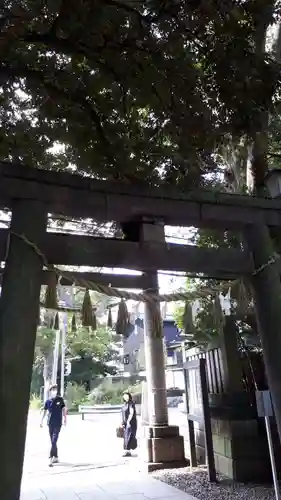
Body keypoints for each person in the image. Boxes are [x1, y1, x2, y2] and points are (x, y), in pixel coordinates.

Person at [40, 384, 67, 467]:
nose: (54, 391)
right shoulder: (48, 401)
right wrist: (41, 421)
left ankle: (50, 458)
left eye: (55, 389)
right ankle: (56, 457)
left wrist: (65, 419)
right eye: (52, 390)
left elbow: (64, 409)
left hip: (58, 423)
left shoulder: (60, 399)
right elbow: (44, 411)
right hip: (50, 423)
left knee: (54, 440)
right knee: (53, 441)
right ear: (50, 391)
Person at [121, 391, 137, 457]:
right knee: (126, 436)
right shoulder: (125, 404)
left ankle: (127, 451)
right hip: (126, 423)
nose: (125, 397)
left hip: (131, 423)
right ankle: (127, 451)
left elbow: (131, 413)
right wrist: (123, 422)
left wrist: (128, 421)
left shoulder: (131, 403)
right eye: (124, 395)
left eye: (126, 395)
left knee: (129, 436)